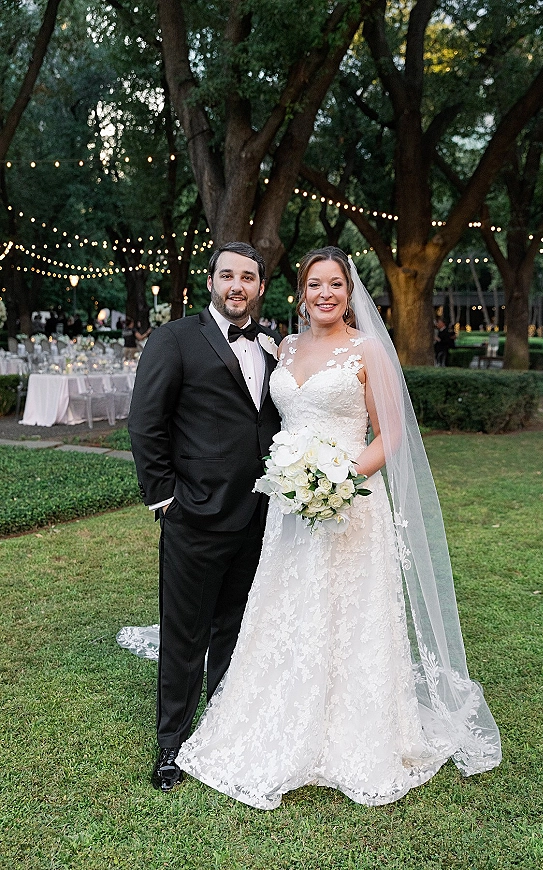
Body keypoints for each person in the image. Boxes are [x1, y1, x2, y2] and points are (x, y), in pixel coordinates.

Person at [172, 246, 501, 809]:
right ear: (300, 293)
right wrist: (296, 480)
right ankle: (283, 716)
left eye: (336, 285)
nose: (325, 294)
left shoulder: (368, 349)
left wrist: (341, 480)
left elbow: (389, 434)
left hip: (351, 502)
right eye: (314, 284)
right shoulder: (286, 347)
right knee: (288, 609)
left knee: (349, 614)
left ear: (350, 294)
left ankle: (356, 731)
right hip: (289, 506)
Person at [127, 242, 281, 793]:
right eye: (227, 276)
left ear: (260, 288)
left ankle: (222, 727)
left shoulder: (271, 344)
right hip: (194, 513)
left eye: (247, 277)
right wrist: (164, 499)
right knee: (185, 633)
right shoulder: (175, 338)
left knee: (235, 626)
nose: (237, 285)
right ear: (211, 282)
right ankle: (171, 744)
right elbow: (146, 422)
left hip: (260, 511)